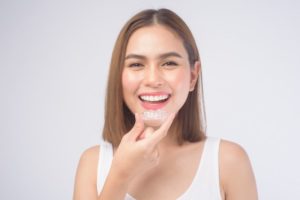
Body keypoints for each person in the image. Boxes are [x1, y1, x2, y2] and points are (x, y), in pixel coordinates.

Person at [73, 8, 258, 200]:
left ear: (193, 76)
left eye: (169, 63)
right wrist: (121, 174)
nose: (153, 80)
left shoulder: (228, 162)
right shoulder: (93, 164)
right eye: (136, 64)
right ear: (118, 76)